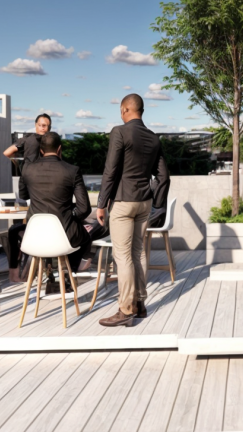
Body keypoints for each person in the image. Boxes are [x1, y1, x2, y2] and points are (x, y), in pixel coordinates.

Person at [96, 93, 170, 328]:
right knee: (138, 253)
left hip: (123, 201)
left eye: (121, 110)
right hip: (144, 202)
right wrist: (158, 204)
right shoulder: (153, 138)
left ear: (125, 109)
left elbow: (110, 170)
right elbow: (164, 177)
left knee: (123, 256)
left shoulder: (120, 131)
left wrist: (101, 203)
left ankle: (125, 309)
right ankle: (139, 304)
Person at [16, 131, 94, 293]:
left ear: (41, 151)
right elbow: (84, 208)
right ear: (59, 149)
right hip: (64, 233)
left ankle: (51, 274)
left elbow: (23, 196)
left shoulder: (27, 169)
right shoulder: (72, 170)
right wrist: (71, 216)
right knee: (85, 236)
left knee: (52, 240)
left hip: (34, 236)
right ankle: (69, 273)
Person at [4, 113, 52, 283]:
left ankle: (17, 274)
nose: (42, 128)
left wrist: (20, 164)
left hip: (28, 182)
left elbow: (7, 153)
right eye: (41, 125)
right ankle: (39, 270)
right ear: (37, 125)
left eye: (44, 125)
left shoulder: (26, 140)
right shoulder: (51, 142)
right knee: (36, 224)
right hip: (45, 186)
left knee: (22, 227)